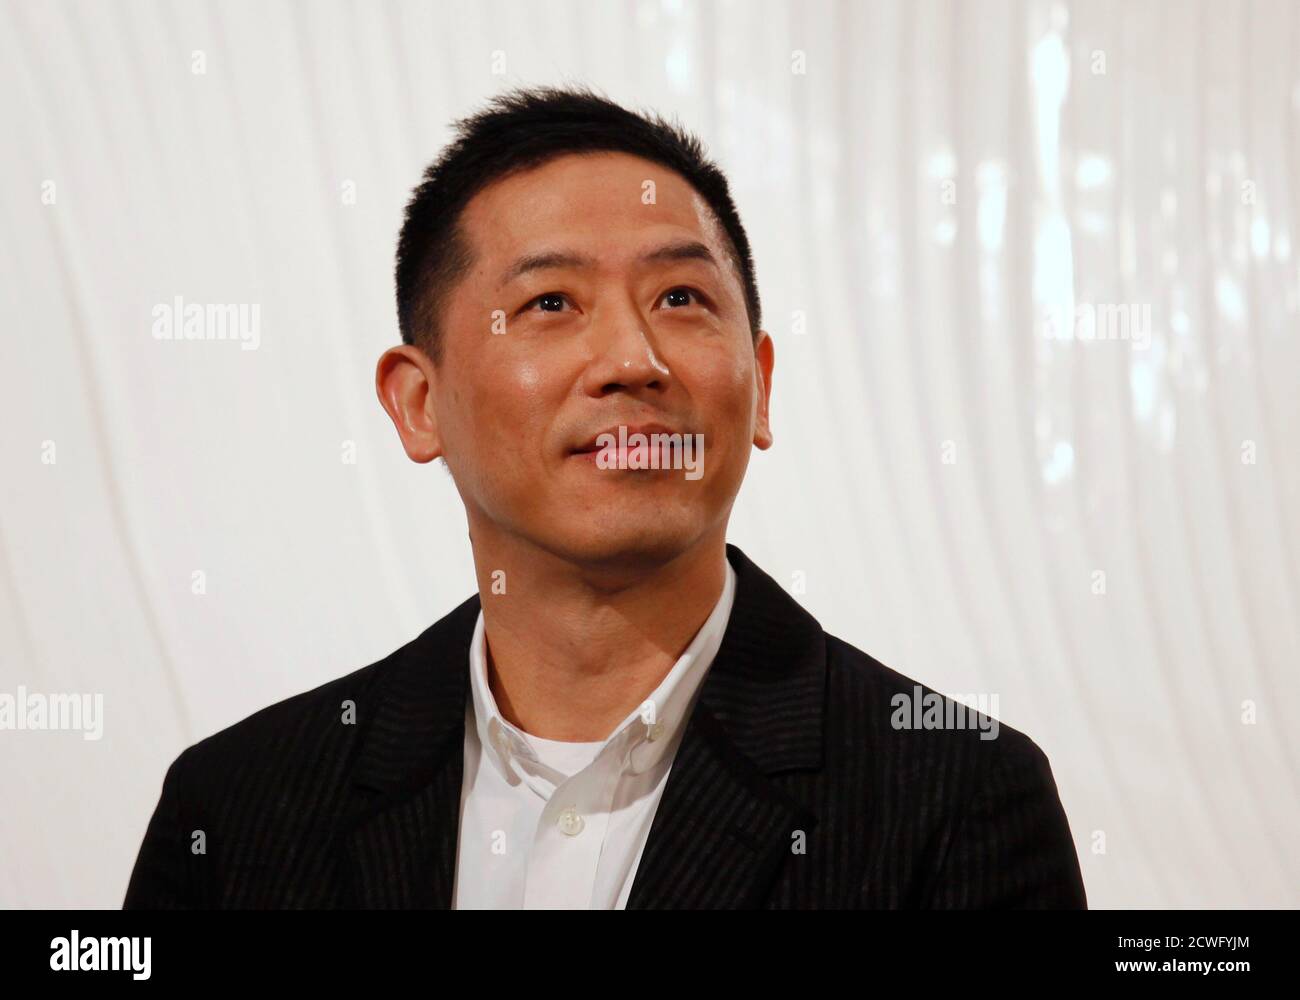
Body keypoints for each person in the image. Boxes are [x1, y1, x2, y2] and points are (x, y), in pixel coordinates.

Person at [124, 85, 1086, 909]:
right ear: (419, 404)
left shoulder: (953, 800)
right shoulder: (242, 811)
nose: (634, 359)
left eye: (680, 299)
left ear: (759, 382)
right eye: (551, 304)